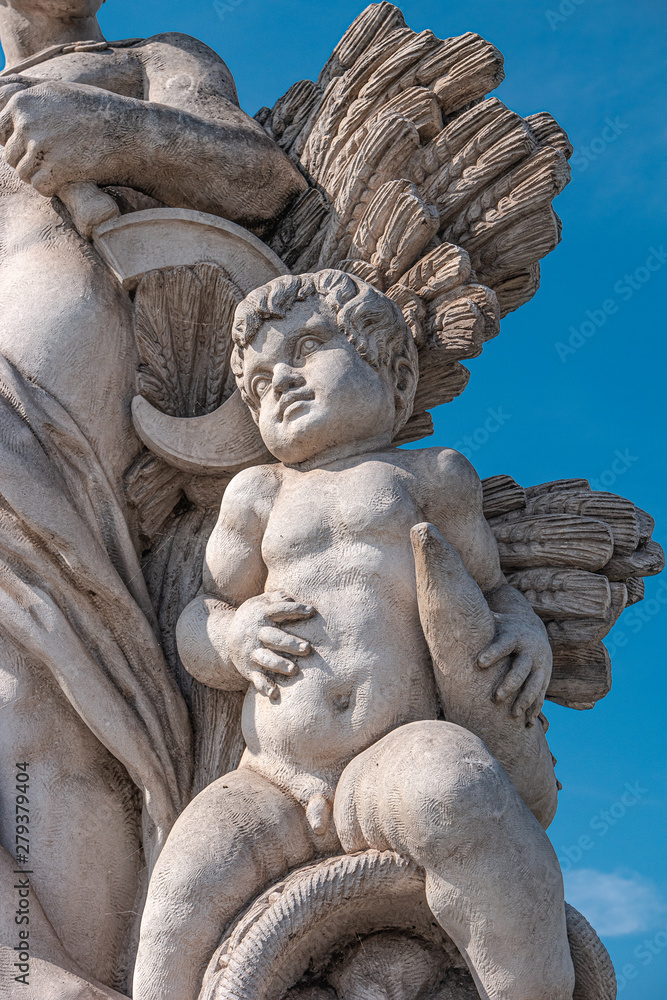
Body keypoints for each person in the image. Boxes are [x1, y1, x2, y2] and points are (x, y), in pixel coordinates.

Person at [134, 270, 576, 1000]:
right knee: (180, 888)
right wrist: (235, 633)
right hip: (272, 776)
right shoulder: (260, 494)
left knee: (460, 791)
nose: (282, 382)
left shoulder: (431, 475)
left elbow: (492, 592)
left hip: (391, 753)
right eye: (259, 381)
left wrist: (527, 634)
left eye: (306, 349)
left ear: (391, 371)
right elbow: (202, 617)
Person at [0, 3, 306, 996]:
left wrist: (118, 135)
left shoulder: (149, 59)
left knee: (51, 694)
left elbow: (256, 175)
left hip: (72, 432)